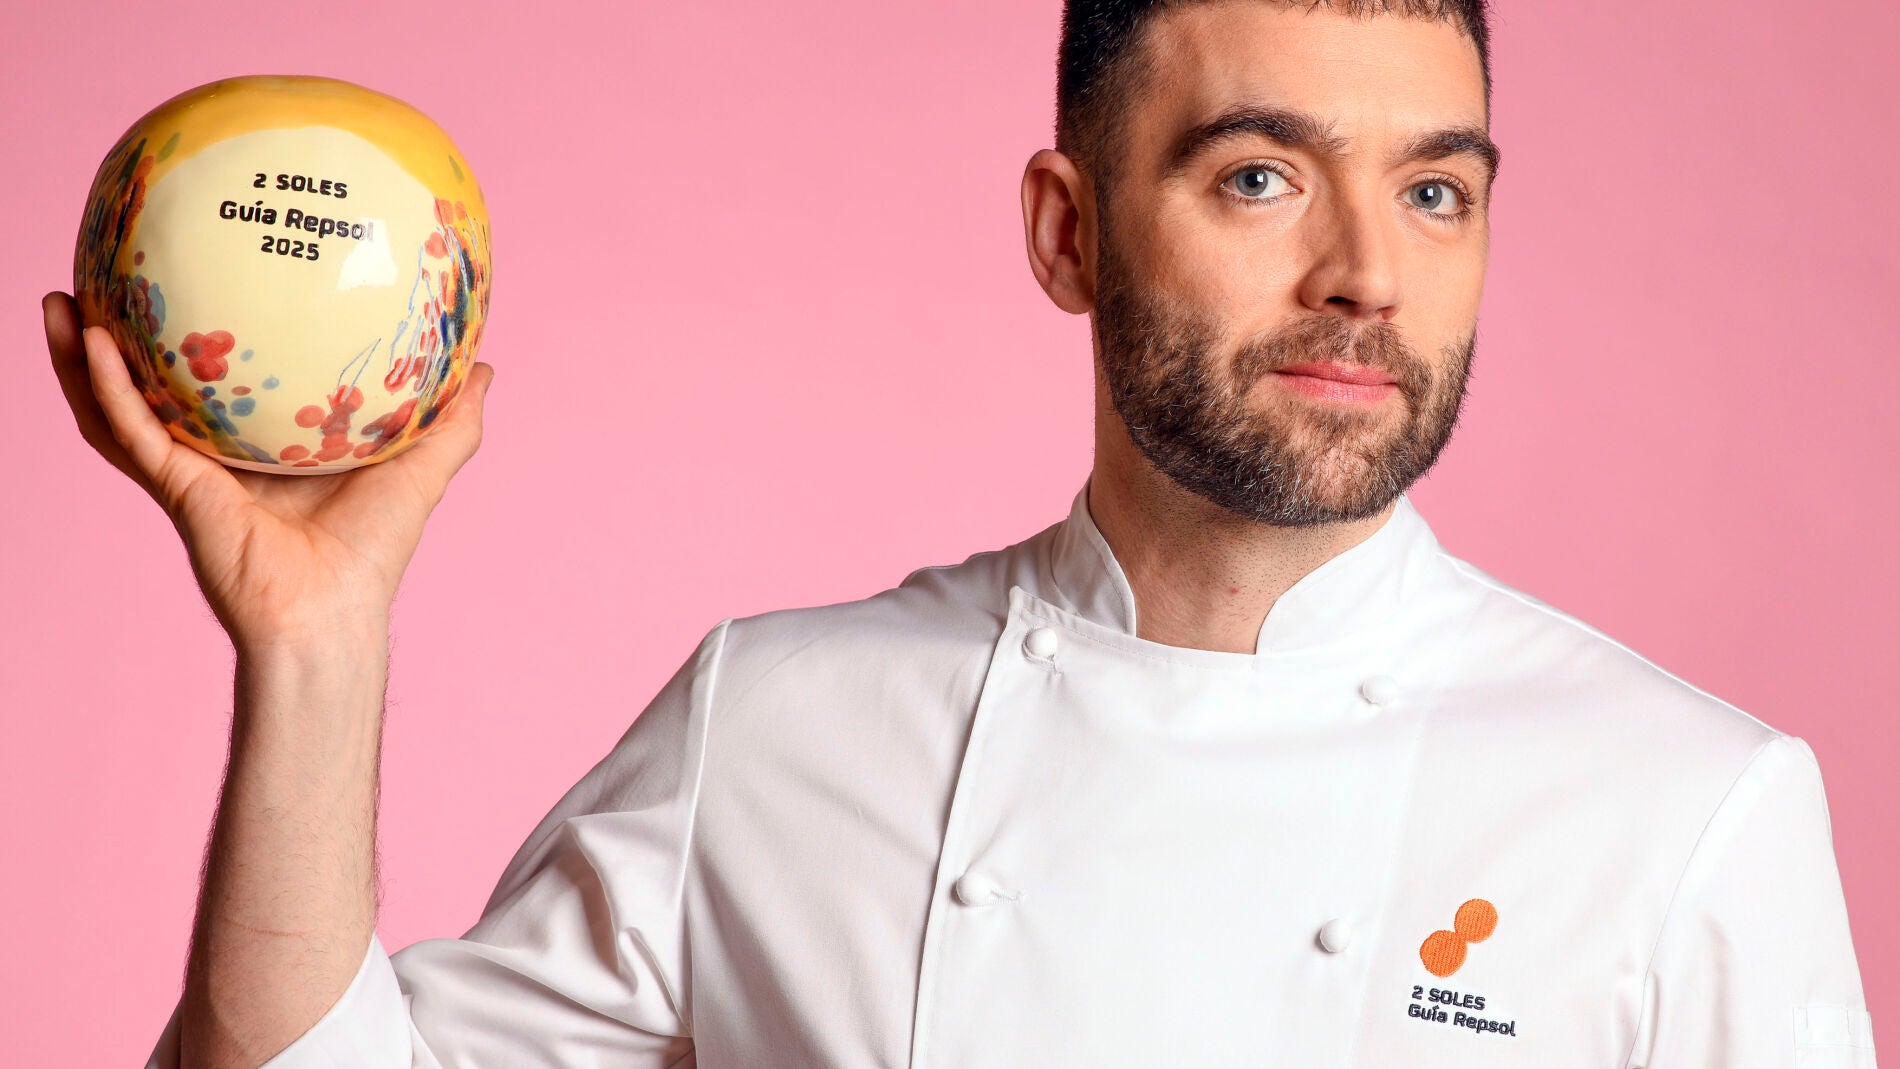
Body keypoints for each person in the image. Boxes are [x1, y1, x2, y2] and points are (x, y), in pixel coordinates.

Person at [45, 1, 1877, 1067]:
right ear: (1069, 233)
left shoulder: (1688, 807)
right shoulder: (776, 723)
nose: (1367, 275)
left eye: (1436, 191)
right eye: (1260, 177)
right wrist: (316, 648)